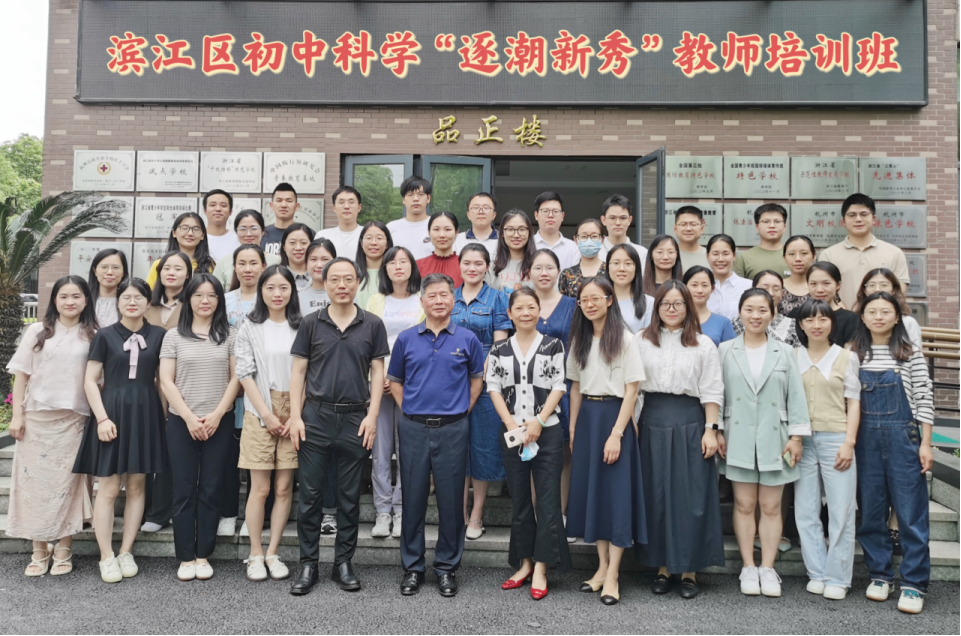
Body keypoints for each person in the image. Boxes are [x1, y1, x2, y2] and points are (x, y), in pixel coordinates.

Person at [288, 257, 389, 595]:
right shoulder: (311, 323)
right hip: (315, 417)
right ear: (325, 282)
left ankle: (343, 563)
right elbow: (299, 371)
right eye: (335, 279)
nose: (342, 285)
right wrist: (295, 416)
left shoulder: (372, 324)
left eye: (348, 279)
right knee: (310, 496)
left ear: (358, 282)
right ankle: (308, 564)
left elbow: (378, 372)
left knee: (349, 497)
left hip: (355, 418)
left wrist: (373, 416)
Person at [387, 273, 485, 598]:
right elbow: (395, 381)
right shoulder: (406, 339)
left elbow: (476, 380)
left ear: (453, 300)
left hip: (454, 428)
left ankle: (446, 568)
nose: (439, 300)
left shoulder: (468, 339)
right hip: (413, 427)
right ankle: (413, 568)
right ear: (422, 301)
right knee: (413, 498)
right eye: (432, 295)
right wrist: (409, 410)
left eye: (445, 295)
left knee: (451, 501)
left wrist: (461, 411)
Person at [73, 278, 168, 583]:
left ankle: (126, 551)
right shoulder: (104, 335)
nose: (132, 302)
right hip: (111, 411)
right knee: (110, 488)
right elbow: (90, 381)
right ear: (118, 302)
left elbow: (162, 380)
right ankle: (106, 556)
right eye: (126, 297)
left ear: (148, 303)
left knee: (137, 486)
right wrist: (102, 419)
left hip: (146, 412)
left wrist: (164, 417)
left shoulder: (160, 335)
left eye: (139, 297)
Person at [717, 289, 810, 598]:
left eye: (762, 310)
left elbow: (796, 396)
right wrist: (716, 430)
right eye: (749, 309)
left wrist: (796, 437)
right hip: (737, 435)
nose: (755, 316)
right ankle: (748, 565)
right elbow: (717, 394)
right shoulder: (725, 350)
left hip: (776, 436)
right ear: (740, 312)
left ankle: (768, 567)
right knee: (744, 504)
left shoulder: (785, 351)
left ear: (773, 313)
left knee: (771, 506)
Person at [636, 281, 725, 599]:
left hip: (691, 423)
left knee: (690, 497)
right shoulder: (641, 341)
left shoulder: (703, 344)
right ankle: (662, 568)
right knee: (656, 496)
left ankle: (689, 571)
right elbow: (632, 387)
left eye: (678, 304)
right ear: (656, 308)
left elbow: (712, 389)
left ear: (688, 307)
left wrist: (711, 429)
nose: (671, 309)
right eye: (665, 304)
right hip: (651, 422)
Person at [850, 292, 934, 614]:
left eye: (885, 312)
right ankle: (880, 575)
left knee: (911, 513)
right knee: (871, 511)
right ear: (863, 317)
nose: (878, 317)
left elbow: (924, 397)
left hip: (904, 438)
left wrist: (925, 443)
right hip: (865, 441)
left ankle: (914, 583)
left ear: (897, 317)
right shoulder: (854, 354)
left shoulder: (909, 353)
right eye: (872, 311)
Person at [6, 276, 96, 577]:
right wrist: (17, 416)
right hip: (36, 420)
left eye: (76, 296)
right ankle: (39, 550)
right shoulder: (37, 331)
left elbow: (98, 380)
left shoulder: (94, 335)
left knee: (67, 488)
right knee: (35, 486)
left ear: (86, 300)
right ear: (54, 300)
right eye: (63, 296)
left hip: (74, 421)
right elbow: (21, 375)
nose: (70, 301)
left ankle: (64, 548)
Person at [487, 287, 572, 599]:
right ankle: (524, 563)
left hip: (547, 431)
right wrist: (512, 424)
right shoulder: (499, 349)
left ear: (539, 311)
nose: (526, 313)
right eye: (519, 308)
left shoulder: (553, 345)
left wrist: (538, 421)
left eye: (531, 307)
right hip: (512, 433)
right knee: (520, 499)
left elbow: (559, 386)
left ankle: (541, 567)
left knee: (547, 500)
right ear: (509, 314)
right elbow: (493, 387)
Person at [566, 276, 646, 606]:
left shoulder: (625, 339)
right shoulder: (580, 339)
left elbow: (632, 390)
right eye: (584, 299)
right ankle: (600, 567)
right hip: (588, 419)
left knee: (616, 498)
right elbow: (574, 387)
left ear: (609, 300)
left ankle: (613, 574)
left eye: (595, 298)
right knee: (595, 495)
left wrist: (617, 434)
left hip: (615, 418)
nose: (589, 304)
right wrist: (573, 429)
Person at [159, 274, 239, 581]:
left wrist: (218, 414)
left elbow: (236, 378)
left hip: (220, 421)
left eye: (212, 295)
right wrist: (189, 418)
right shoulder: (173, 337)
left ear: (220, 300)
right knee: (183, 489)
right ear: (188, 299)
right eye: (198, 295)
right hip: (182, 422)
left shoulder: (230, 335)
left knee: (210, 487)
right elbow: (166, 381)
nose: (205, 301)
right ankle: (185, 556)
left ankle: (203, 554)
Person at [235, 265, 302, 583]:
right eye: (270, 287)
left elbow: (308, 372)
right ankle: (255, 553)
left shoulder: (303, 325)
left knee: (284, 487)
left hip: (295, 409)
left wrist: (296, 414)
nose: (277, 294)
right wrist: (267, 414)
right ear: (261, 291)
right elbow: (244, 373)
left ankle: (273, 552)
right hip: (259, 408)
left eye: (283, 288)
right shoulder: (250, 326)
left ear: (292, 291)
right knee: (260, 488)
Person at [793, 299, 861, 601]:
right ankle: (817, 572)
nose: (816, 325)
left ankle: (838, 577)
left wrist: (849, 442)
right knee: (805, 510)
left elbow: (854, 403)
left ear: (832, 323)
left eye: (823, 319)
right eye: (809, 320)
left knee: (841, 510)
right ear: (801, 325)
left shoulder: (846, 357)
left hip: (837, 439)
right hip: (801, 440)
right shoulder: (793, 356)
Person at [452, 244, 512, 540]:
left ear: (487, 266)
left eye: (478, 263)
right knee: (456, 448)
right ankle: (459, 514)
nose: (472, 268)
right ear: (459, 265)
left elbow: (500, 342)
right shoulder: (449, 296)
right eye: (467, 262)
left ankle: (476, 515)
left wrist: (481, 371)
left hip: (488, 380)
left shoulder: (498, 298)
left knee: (483, 446)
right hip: (451, 380)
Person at [365, 247, 424, 539]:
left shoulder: (422, 299)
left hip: (412, 384)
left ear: (412, 266)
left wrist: (399, 378)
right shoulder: (376, 300)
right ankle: (382, 510)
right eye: (392, 262)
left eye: (403, 261)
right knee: (379, 450)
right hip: (378, 382)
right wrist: (383, 377)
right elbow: (368, 342)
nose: (398, 266)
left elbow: (425, 344)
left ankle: (401, 510)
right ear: (385, 269)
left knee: (407, 451)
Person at [141, 251, 193, 534]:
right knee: (148, 448)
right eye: (166, 268)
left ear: (188, 274)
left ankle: (163, 510)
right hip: (145, 386)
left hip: (178, 385)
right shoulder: (146, 304)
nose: (171, 273)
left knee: (171, 450)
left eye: (178, 268)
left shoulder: (193, 304)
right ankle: (146, 508)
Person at [219, 245, 267, 538]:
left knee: (258, 459)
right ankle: (227, 512)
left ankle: (253, 516)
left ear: (263, 266)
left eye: (253, 263)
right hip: (228, 387)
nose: (248, 269)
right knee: (229, 455)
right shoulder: (223, 300)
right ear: (234, 267)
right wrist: (231, 381)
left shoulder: (272, 297)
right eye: (242, 263)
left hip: (261, 387)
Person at [530, 248, 577, 538]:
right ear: (529, 272)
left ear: (559, 272)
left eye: (549, 267)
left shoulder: (572, 305)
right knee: (532, 452)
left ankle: (561, 513)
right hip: (529, 390)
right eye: (538, 268)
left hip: (567, 388)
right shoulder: (523, 301)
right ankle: (538, 516)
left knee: (564, 453)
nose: (544, 273)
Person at [819, 193, 909, 310]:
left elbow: (899, 291)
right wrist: (846, 315)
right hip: (841, 318)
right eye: (852, 215)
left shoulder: (894, 253)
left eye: (864, 214)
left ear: (874, 219)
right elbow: (824, 290)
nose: (858, 219)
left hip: (880, 318)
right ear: (843, 221)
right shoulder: (828, 255)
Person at [146, 212, 216, 288]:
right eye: (184, 228)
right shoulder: (159, 264)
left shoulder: (210, 265)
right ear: (174, 233)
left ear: (202, 235)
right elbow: (150, 293)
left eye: (196, 229)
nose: (190, 233)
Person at [212, 210, 281, 288]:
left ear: (263, 231)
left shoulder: (276, 261)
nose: (248, 234)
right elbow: (214, 290)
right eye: (242, 229)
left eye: (254, 228)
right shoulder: (224, 263)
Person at [855, 268, 922, 348]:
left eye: (884, 285)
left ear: (894, 289)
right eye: (872, 285)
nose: (877, 289)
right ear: (865, 290)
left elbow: (916, 352)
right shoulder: (854, 320)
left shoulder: (908, 322)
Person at [732, 271, 801, 347]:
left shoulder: (792, 325)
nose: (770, 293)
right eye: (764, 289)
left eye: (776, 289)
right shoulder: (736, 323)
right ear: (753, 290)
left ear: (782, 294)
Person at [807, 262, 859, 346]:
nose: (819, 290)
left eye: (826, 283)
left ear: (838, 285)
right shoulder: (796, 315)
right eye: (813, 284)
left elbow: (850, 351)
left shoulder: (851, 319)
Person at [734, 204, 790, 280]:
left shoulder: (794, 256)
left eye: (777, 221)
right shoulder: (744, 258)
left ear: (784, 227)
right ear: (757, 227)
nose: (772, 226)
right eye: (766, 221)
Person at [682, 266, 735, 346]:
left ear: (712, 288)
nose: (699, 290)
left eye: (704, 285)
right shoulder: (675, 320)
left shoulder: (723, 323)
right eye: (694, 285)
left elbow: (731, 351)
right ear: (684, 287)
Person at [606, 243, 653, 334]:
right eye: (616, 263)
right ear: (608, 268)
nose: (622, 269)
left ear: (636, 269)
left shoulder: (649, 303)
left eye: (628, 263)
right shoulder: (599, 300)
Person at [706, 234, 752, 321]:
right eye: (715, 254)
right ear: (707, 256)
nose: (720, 259)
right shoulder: (700, 288)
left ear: (734, 256)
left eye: (726, 254)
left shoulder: (748, 286)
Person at [387, 176, 433, 261]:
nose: (415, 199)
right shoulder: (391, 228)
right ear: (404, 199)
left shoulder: (438, 226)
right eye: (410, 195)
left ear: (428, 198)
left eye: (421, 194)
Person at [559, 219, 608, 298]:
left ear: (602, 239)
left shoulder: (611, 270)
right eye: (583, 236)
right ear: (576, 240)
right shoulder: (567, 274)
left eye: (594, 236)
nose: (589, 240)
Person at [532, 191, 579, 270]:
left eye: (555, 211)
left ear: (562, 216)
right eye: (545, 211)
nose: (550, 215)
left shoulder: (573, 248)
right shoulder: (528, 244)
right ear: (536, 215)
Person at [492, 210, 536, 292]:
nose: (516, 235)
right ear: (502, 233)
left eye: (522, 229)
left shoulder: (540, 267)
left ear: (529, 232)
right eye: (510, 229)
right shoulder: (491, 268)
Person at [316, 186, 363, 261]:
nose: (346, 206)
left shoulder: (367, 235)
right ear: (334, 208)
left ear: (359, 207)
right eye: (341, 202)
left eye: (351, 202)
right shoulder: (322, 236)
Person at [416, 211, 463, 287]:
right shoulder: (417, 266)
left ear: (456, 232)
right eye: (436, 229)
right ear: (429, 233)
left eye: (447, 229)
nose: (442, 235)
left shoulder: (465, 266)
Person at [598, 193, 647, 264]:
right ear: (603, 220)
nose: (618, 223)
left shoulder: (641, 253)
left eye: (623, 218)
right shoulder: (595, 253)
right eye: (612, 218)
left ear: (629, 220)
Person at [355, 221, 393, 311]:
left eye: (379, 238)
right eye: (368, 238)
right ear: (361, 243)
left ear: (387, 244)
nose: (373, 242)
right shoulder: (352, 273)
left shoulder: (395, 273)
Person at [88, 248, 128, 328]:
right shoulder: (84, 299)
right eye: (104, 267)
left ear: (123, 272)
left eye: (116, 267)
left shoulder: (130, 301)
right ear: (95, 271)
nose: (110, 272)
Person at [453, 191, 499, 259]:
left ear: (494, 215)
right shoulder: (456, 240)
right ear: (468, 215)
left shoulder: (503, 240)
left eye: (486, 208)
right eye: (476, 208)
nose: (481, 212)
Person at [780, 235, 816, 317]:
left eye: (804, 253)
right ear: (784, 258)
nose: (797, 259)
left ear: (814, 256)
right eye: (791, 254)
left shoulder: (822, 287)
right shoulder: (777, 288)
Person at [262, 183, 300, 256]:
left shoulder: (306, 234)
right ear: (271, 205)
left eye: (289, 201)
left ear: (297, 206)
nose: (283, 205)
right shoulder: (262, 234)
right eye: (279, 200)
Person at [202, 189, 241, 261]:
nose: (218, 209)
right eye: (212, 205)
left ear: (230, 211)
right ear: (205, 210)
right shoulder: (197, 238)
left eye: (223, 205)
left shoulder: (239, 240)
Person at [299, 239, 336, 316]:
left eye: (325, 259)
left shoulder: (344, 294)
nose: (319, 265)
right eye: (313, 259)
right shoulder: (298, 297)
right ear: (306, 263)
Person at [280, 223, 316, 292]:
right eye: (292, 242)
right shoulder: (277, 276)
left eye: (303, 243)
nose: (298, 248)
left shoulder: (319, 275)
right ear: (284, 247)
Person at [673, 206, 711, 272]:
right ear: (675, 229)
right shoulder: (668, 256)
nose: (688, 229)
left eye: (693, 224)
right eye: (683, 224)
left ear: (702, 228)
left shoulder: (711, 256)